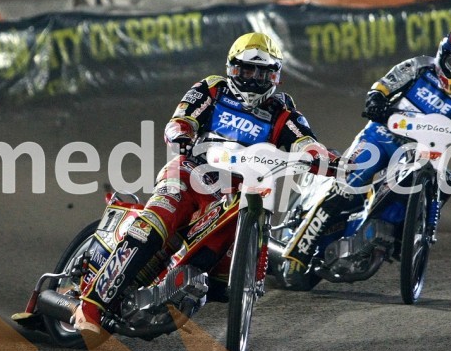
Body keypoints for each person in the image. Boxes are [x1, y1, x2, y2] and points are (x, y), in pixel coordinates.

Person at [71, 32, 336, 333]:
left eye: (263, 73)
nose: (253, 79)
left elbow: (307, 143)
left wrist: (324, 159)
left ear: (275, 75)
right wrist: (181, 134)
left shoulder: (283, 112)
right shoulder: (212, 89)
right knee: (152, 227)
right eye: (247, 70)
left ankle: (172, 292)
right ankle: (90, 308)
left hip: (236, 196)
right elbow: (180, 121)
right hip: (189, 174)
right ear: (232, 68)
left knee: (220, 278)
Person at [275, 27, 451, 289]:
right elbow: (384, 86)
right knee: (348, 187)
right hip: (380, 137)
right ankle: (297, 252)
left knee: (445, 179)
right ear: (442, 56)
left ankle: (406, 236)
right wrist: (376, 101)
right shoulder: (419, 68)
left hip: (419, 151)